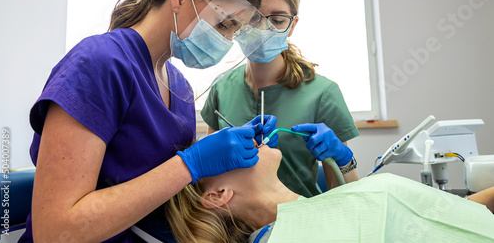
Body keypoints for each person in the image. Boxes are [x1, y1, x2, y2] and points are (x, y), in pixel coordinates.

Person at [19, 0, 279, 243]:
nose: (225, 41)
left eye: (234, 32)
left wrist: (226, 152)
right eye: (223, 24)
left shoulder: (178, 87)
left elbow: (165, 191)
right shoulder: (100, 64)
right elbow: (55, 232)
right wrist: (190, 164)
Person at [201, 0, 360, 197]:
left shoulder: (322, 93)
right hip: (229, 227)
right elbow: (207, 176)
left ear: (292, 25)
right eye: (254, 18)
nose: (264, 29)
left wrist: (343, 160)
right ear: (236, 21)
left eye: (276, 20)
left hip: (299, 224)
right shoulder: (221, 89)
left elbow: (346, 198)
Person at [165, 144, 494, 243]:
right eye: (220, 150)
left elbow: (441, 217)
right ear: (218, 193)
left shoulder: (316, 212)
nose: (239, 136)